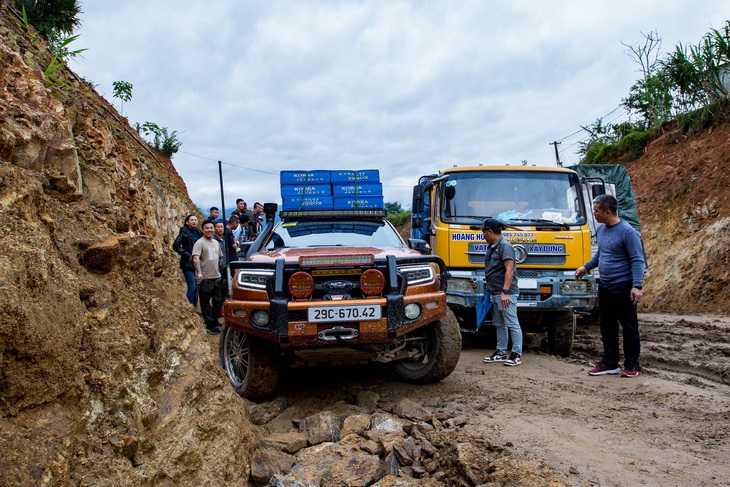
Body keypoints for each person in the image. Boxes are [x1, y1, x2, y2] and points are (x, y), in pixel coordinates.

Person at [575, 194, 645, 378]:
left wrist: (637, 286)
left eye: (596, 210)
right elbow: (601, 254)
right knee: (607, 326)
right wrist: (586, 267)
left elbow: (637, 260)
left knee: (629, 327)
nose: (594, 214)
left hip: (623, 286)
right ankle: (610, 362)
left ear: (607, 212)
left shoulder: (628, 232)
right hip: (605, 286)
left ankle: (631, 364)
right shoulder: (602, 230)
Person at [481, 218, 523, 366]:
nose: (483, 235)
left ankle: (516, 354)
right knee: (499, 324)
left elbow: (509, 270)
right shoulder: (492, 247)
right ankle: (501, 351)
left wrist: (505, 292)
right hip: (495, 292)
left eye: (484, 232)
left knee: (512, 323)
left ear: (490, 231)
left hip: (505, 293)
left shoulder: (505, 247)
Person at [192, 220, 223, 335]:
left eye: (211, 228)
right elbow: (196, 258)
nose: (210, 230)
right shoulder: (199, 243)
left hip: (217, 277)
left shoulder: (216, 242)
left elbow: (220, 257)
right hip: (205, 278)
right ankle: (209, 324)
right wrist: (199, 273)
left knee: (218, 301)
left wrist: (222, 269)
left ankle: (214, 320)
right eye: (207, 228)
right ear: (203, 230)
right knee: (205, 302)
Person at [172, 214, 203, 306]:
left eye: (195, 220)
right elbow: (176, 245)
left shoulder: (198, 232)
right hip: (188, 263)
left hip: (198, 262)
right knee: (192, 285)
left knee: (197, 286)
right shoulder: (184, 232)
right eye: (192, 220)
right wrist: (187, 254)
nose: (194, 222)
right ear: (187, 222)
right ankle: (189, 306)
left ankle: (194, 306)